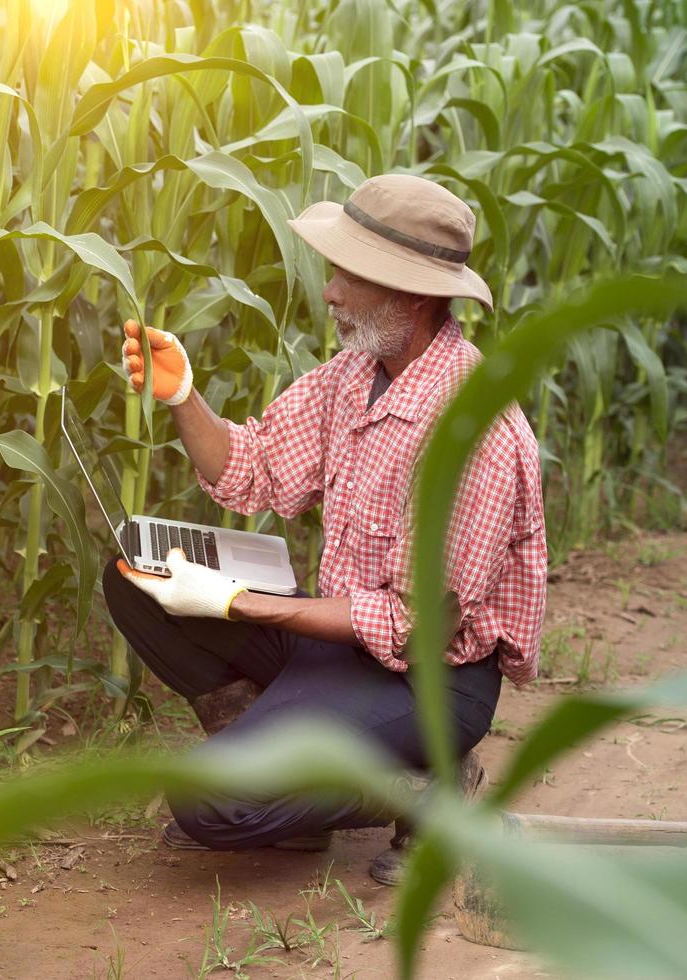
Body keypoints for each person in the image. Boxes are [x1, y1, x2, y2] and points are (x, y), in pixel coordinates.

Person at [104, 173, 547, 885]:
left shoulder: (474, 430)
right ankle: (296, 802)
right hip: (346, 653)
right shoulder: (354, 375)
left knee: (203, 799)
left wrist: (235, 603)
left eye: (350, 274)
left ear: (411, 294)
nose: (331, 291)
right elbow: (252, 468)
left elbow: (415, 624)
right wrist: (183, 393)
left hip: (430, 682)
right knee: (136, 574)